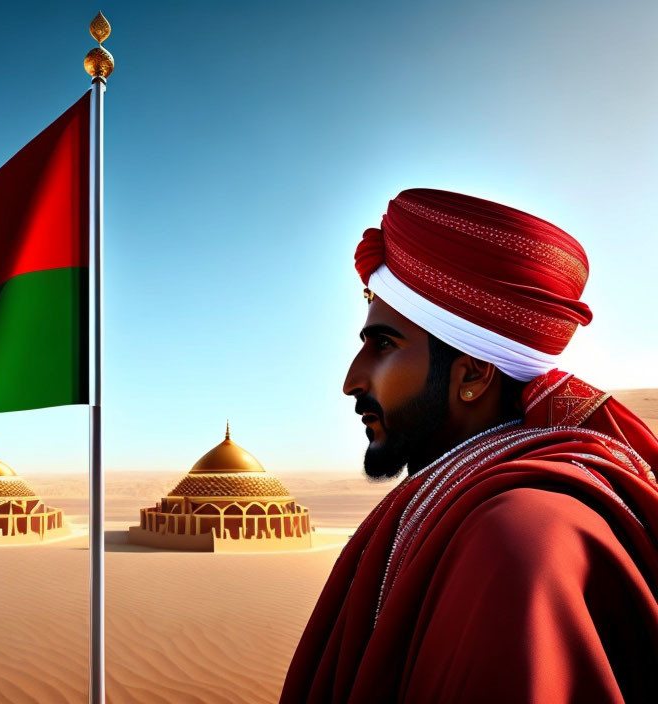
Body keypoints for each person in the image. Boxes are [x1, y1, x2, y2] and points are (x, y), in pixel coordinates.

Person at [280, 189, 658, 703]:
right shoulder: (486, 508)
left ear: (474, 374)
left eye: (384, 345)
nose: (353, 379)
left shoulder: (515, 540)